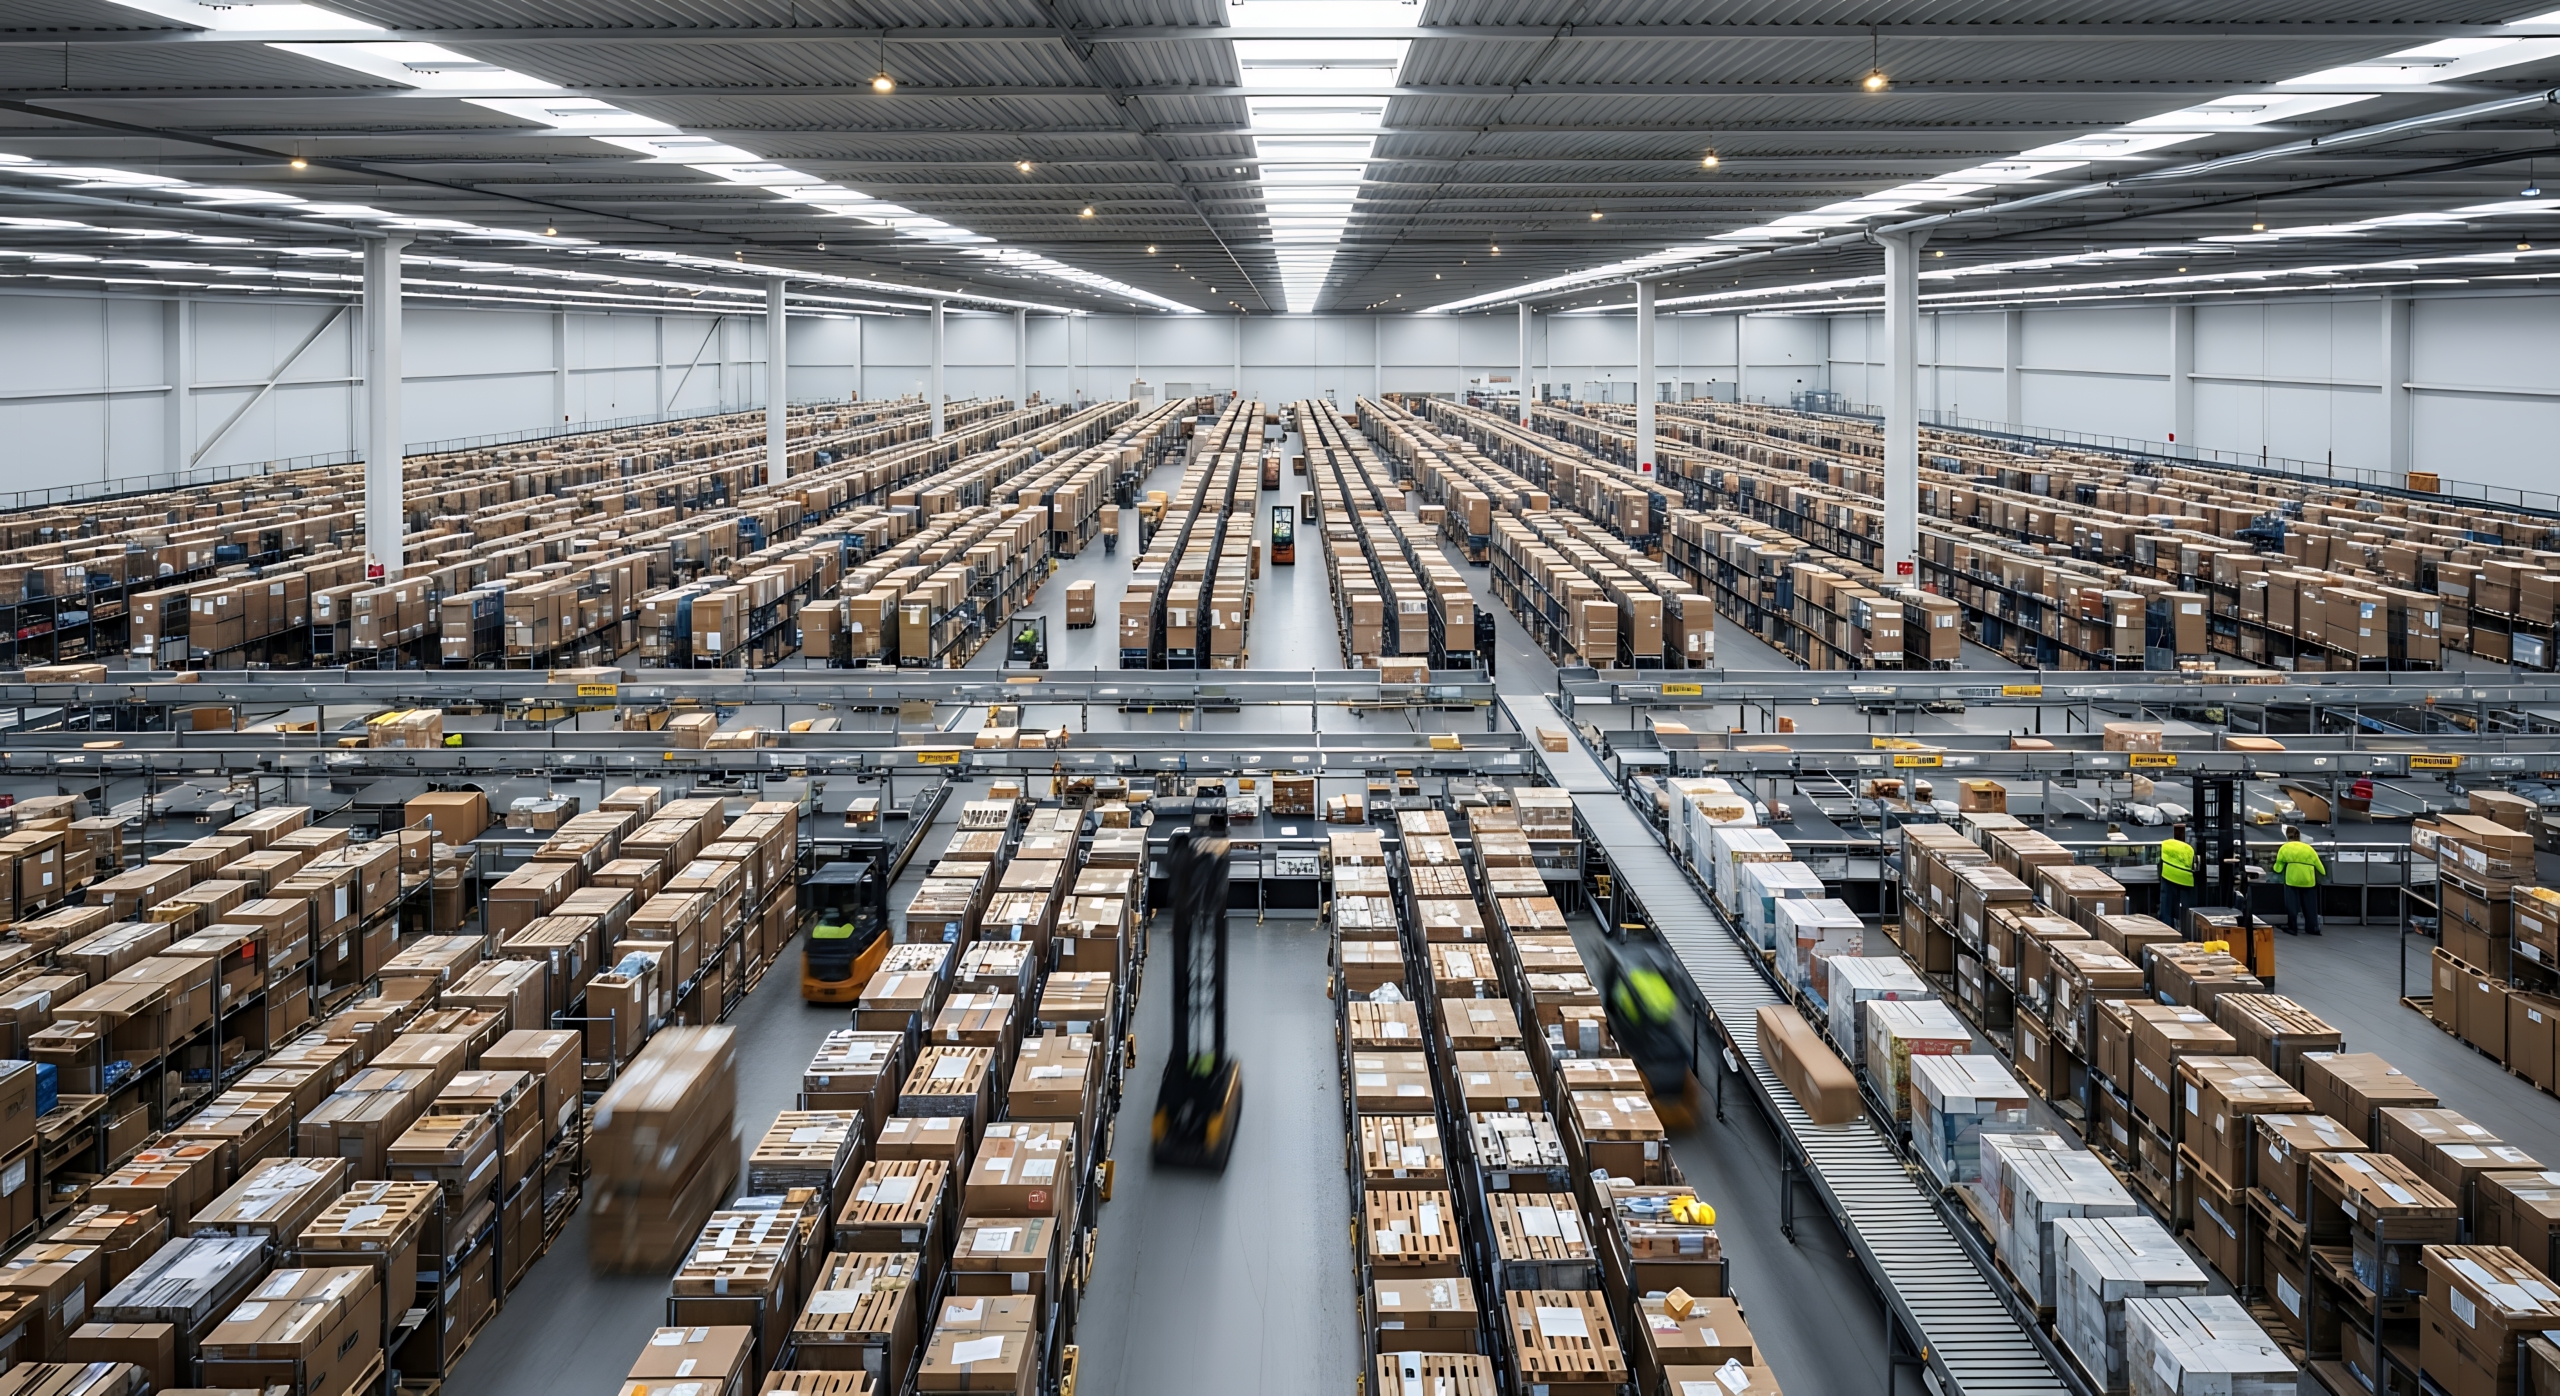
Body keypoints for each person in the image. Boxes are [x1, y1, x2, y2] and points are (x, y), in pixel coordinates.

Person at [2274, 825, 2326, 936]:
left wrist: (2275, 870)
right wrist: (2323, 874)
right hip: (2308, 879)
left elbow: (2278, 867)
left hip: (2292, 879)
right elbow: (2319, 866)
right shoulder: (2308, 848)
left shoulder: (2285, 847)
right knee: (2310, 905)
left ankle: (2293, 928)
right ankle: (2313, 928)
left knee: (2292, 905)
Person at [2158, 822, 2197, 935]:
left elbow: (2160, 862)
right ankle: (2185, 931)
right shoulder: (2189, 849)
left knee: (2166, 908)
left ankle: (2167, 932)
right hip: (2185, 879)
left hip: (2168, 875)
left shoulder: (2166, 845)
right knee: (2185, 910)